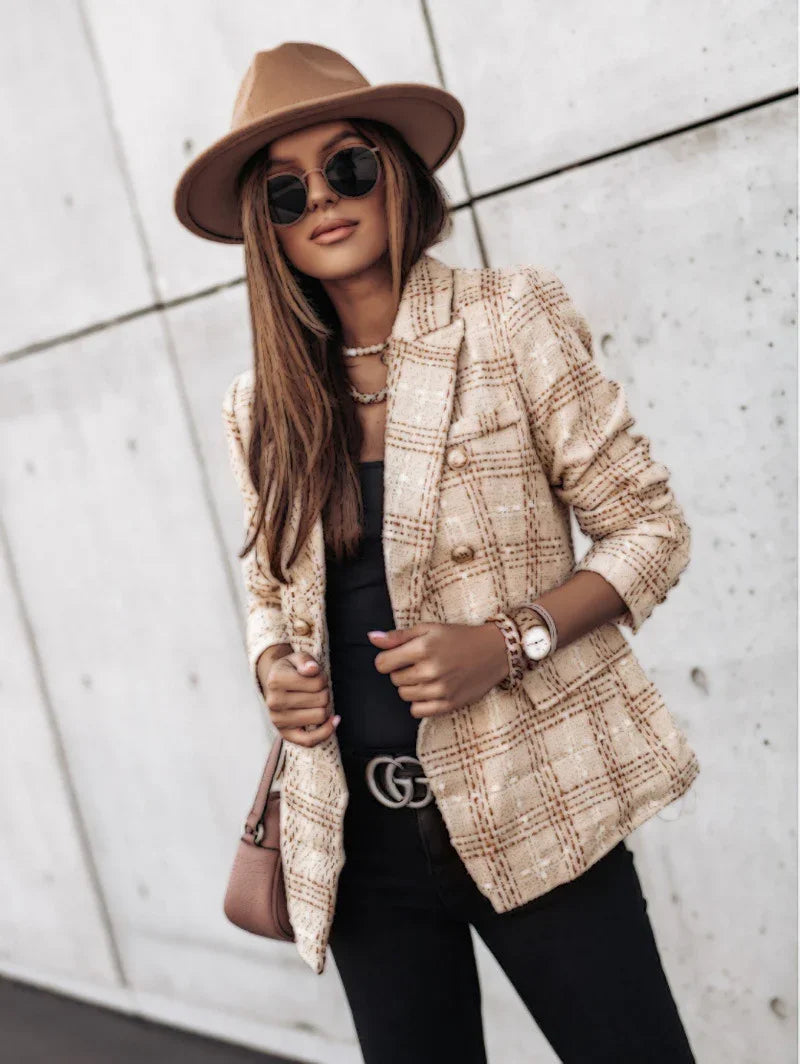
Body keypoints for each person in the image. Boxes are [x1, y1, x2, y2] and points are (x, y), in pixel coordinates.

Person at [174, 42, 699, 1064]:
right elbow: (267, 588)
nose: (321, 198)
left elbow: (648, 529)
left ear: (398, 174)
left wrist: (508, 638)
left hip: (532, 802)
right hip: (358, 840)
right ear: (264, 231)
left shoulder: (508, 320)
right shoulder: (261, 406)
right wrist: (268, 664)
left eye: (348, 165)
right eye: (285, 192)